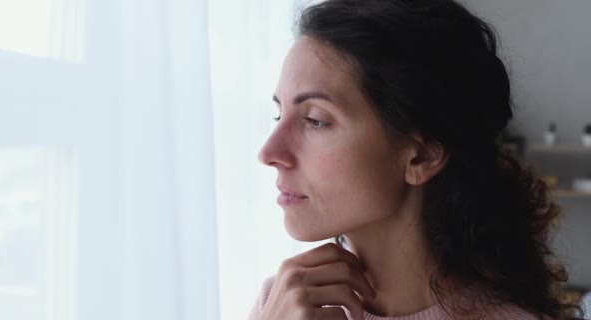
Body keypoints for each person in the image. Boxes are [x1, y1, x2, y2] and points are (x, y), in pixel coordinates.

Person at [249, 0, 582, 319]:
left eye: (316, 120)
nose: (269, 152)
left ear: (422, 156)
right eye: (280, 114)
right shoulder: (280, 306)